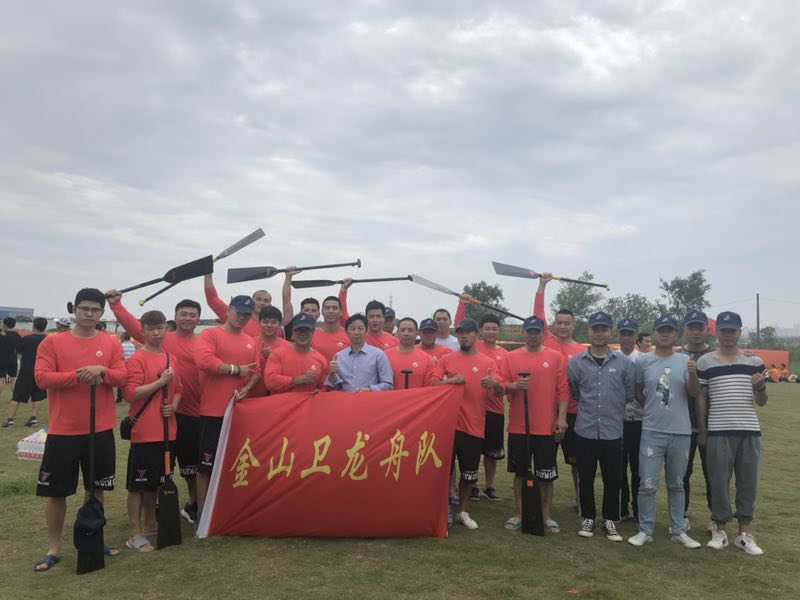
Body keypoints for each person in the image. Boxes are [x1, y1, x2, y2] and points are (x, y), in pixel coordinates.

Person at [33, 288, 127, 572]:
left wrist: (102, 370)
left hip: (100, 429)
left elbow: (122, 376)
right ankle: (54, 547)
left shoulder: (111, 342)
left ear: (102, 313)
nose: (89, 314)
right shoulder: (52, 342)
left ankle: (93, 538)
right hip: (63, 430)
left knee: (97, 489)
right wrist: (81, 375)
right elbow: (42, 379)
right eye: (84, 308)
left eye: (95, 310)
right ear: (74, 309)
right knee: (56, 492)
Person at [107, 290, 205, 523]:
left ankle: (194, 506)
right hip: (158, 418)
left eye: (192, 315)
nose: (188, 318)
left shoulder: (204, 342)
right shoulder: (162, 338)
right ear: (175, 317)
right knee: (158, 468)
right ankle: (155, 512)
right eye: (183, 314)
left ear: (198, 318)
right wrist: (116, 305)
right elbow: (134, 325)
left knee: (191, 469)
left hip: (191, 414)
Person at [628, 316, 702, 549]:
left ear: (675, 335)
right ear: (655, 333)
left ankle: (678, 530)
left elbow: (694, 392)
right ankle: (645, 530)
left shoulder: (685, 360)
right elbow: (638, 391)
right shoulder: (643, 361)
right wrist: (652, 408)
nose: (665, 334)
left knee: (677, 483)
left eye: (670, 331)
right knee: (647, 484)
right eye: (661, 330)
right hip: (652, 431)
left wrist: (693, 374)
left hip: (681, 431)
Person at [698, 311, 768, 556]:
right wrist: (703, 430)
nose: (728, 335)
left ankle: (744, 534)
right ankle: (719, 530)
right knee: (718, 482)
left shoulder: (754, 362)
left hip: (749, 430)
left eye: (732, 331)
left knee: (748, 483)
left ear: (739, 332)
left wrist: (760, 388)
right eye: (724, 331)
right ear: (717, 332)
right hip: (719, 430)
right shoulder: (705, 362)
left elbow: (762, 402)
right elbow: (702, 398)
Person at [432, 319, 503, 530]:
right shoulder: (446, 359)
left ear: (476, 335)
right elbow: (433, 383)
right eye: (460, 333)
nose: (463, 336)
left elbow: (500, 390)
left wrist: (495, 384)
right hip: (447, 425)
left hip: (473, 425)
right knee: (443, 471)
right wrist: (450, 382)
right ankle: (443, 509)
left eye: (468, 332)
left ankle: (463, 510)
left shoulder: (488, 362)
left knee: (469, 473)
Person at [499, 316, 568, 533]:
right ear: (524, 333)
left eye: (537, 331)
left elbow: (563, 391)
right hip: (519, 427)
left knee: (546, 474)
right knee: (520, 473)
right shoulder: (510, 357)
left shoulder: (556, 357)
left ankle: (546, 515)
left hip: (545, 426)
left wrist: (561, 418)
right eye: (529, 331)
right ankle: (520, 514)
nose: (533, 335)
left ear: (543, 333)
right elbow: (500, 385)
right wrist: (514, 385)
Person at [569, 312, 633, 542]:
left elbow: (628, 393)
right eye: (595, 329)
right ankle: (588, 516)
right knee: (585, 477)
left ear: (610, 332)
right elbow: (575, 391)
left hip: (612, 430)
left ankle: (610, 519)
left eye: (603, 329)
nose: (599, 333)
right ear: (589, 332)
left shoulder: (624, 363)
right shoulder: (576, 363)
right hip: (585, 430)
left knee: (612, 478)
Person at [123, 310, 181, 552]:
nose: (157, 333)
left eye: (160, 328)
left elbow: (179, 389)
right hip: (144, 433)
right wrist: (159, 382)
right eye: (151, 328)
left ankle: (150, 523)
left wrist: (173, 406)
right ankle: (135, 533)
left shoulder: (171, 358)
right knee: (138, 486)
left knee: (157, 483)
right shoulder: (137, 359)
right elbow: (130, 393)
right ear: (143, 331)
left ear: (166, 329)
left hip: (168, 432)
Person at [195, 295, 258, 515]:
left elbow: (256, 371)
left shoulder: (250, 341)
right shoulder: (210, 334)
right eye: (238, 313)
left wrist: (247, 388)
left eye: (246, 315)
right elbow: (204, 361)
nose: (242, 318)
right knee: (206, 467)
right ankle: (203, 514)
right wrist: (235, 369)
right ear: (229, 310)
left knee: (235, 464)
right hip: (213, 412)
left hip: (239, 413)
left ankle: (226, 511)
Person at [534, 274, 586, 512]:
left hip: (575, 413)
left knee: (577, 461)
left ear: (574, 326)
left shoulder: (581, 351)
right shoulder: (547, 341)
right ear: (554, 325)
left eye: (567, 323)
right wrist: (541, 286)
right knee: (545, 459)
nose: (563, 326)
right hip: (547, 412)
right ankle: (542, 503)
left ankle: (580, 498)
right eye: (559, 323)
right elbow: (538, 316)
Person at [679, 310, 714, 532]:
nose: (695, 332)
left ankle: (715, 516)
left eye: (699, 328)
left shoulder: (715, 355)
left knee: (714, 473)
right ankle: (681, 515)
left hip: (713, 424)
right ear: (685, 330)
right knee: (682, 473)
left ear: (706, 330)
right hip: (682, 423)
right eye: (691, 327)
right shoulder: (677, 355)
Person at [471, 314, 509, 501]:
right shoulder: (473, 348)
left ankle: (490, 486)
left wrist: (496, 384)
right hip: (473, 408)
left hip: (495, 409)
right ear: (480, 330)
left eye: (494, 328)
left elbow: (507, 383)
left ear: (498, 330)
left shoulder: (505, 354)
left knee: (492, 453)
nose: (491, 332)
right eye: (487, 328)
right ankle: (472, 485)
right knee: (473, 449)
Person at [203, 272, 288, 339]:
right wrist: (208, 274)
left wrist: (288, 278)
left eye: (266, 301)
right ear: (252, 302)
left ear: (270, 304)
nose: (262, 303)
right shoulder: (235, 316)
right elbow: (213, 299)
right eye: (258, 299)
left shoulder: (275, 327)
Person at [326, 314, 393, 391]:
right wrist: (332, 375)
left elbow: (388, 385)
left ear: (366, 331)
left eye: (360, 329)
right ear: (346, 332)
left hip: (369, 397)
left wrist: (370, 389)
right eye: (352, 329)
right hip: (346, 398)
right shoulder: (339, 356)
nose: (356, 332)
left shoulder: (378, 355)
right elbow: (335, 387)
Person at [264, 313, 328, 393]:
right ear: (292, 333)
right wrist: (296, 380)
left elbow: (325, 386)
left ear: (313, 332)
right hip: (283, 400)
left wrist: (321, 391)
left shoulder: (321, 359)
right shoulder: (278, 354)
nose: (302, 334)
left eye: (306, 330)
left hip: (308, 400)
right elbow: (270, 381)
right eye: (299, 330)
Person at [2, 317, 48, 428]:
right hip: (41, 370)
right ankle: (33, 419)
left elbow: (18, 351)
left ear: (34, 326)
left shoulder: (27, 339)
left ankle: (10, 420)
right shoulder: (48, 339)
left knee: (17, 396)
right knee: (37, 396)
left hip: (26, 370)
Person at [617, 318, 643, 521]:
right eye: (623, 334)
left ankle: (639, 508)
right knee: (618, 466)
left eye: (630, 334)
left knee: (638, 468)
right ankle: (622, 507)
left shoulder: (645, 360)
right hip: (617, 421)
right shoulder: (612, 359)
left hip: (640, 421)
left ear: (636, 336)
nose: (626, 338)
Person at [249, 305, 291, 397]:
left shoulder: (288, 346)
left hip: (278, 394)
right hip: (253, 392)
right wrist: (261, 357)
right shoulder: (250, 343)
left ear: (279, 324)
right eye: (265, 322)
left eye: (273, 322)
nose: (269, 325)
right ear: (259, 322)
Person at [384, 318, 434, 389]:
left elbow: (429, 388)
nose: (406, 334)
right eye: (403, 330)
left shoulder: (427, 359)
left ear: (416, 333)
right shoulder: (385, 356)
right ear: (397, 333)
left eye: (410, 330)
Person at [312, 295, 351, 362]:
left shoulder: (349, 335)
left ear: (341, 312)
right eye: (327, 308)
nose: (331, 311)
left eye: (335, 308)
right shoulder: (312, 336)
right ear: (322, 312)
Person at [0, 316, 22, 384]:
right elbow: (19, 349)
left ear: (4, 324)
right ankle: (13, 390)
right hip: (13, 359)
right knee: (12, 379)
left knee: (1, 380)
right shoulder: (17, 335)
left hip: (1, 359)